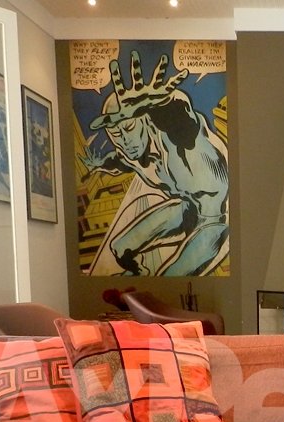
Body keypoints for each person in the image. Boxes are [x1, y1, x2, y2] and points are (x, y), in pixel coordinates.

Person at [83, 50, 228, 276]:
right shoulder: (134, 155)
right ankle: (139, 274)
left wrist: (160, 104)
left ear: (146, 120)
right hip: (186, 209)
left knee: (171, 276)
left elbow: (183, 118)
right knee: (119, 249)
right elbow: (119, 161)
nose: (124, 140)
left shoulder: (178, 138)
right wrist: (99, 164)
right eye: (116, 133)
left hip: (214, 220)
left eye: (129, 127)